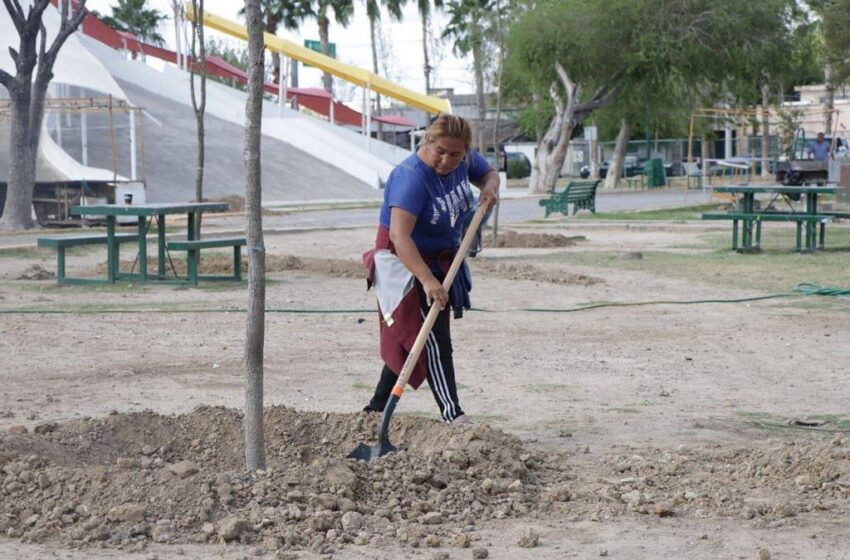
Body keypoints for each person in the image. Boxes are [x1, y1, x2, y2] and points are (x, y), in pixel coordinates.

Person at [362, 114, 499, 425]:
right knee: (433, 337)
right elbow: (400, 236)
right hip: (403, 261)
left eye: (455, 155)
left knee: (411, 336)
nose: (447, 160)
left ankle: (375, 409)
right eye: (440, 151)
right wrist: (426, 280)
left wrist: (490, 188)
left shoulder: (464, 160)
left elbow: (489, 173)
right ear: (427, 142)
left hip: (441, 257)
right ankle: (453, 414)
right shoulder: (410, 178)